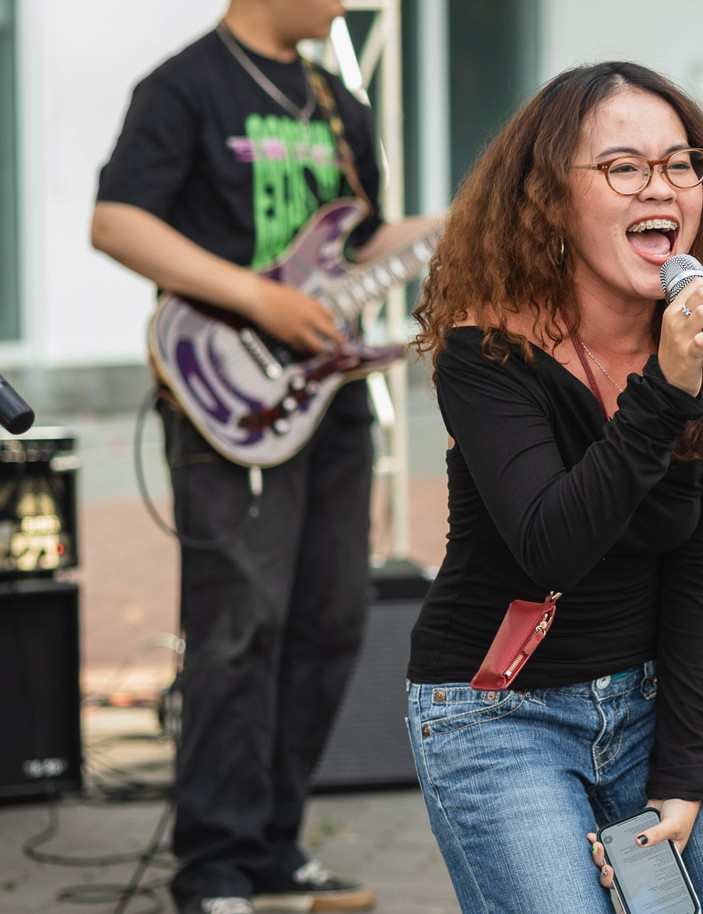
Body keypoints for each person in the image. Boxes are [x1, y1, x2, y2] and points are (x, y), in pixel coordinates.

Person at [405, 60, 703, 914]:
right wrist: (663, 390)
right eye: (623, 167)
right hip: (498, 716)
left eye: (679, 163)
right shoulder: (488, 354)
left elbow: (700, 576)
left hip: (656, 697)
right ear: (553, 197)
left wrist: (687, 766)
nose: (660, 187)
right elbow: (555, 543)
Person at [90, 2, 439, 912]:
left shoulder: (337, 100)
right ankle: (212, 865)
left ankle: (275, 849)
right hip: (227, 396)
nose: (345, 6)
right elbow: (119, 223)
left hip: (327, 400)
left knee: (331, 620)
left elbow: (363, 246)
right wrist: (259, 298)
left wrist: (462, 221)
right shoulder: (184, 86)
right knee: (238, 626)